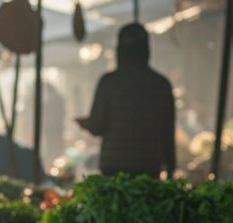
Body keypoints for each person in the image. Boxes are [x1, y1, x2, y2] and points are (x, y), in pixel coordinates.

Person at [75, 23, 175, 178]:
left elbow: (97, 126)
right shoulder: (161, 84)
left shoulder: (109, 82)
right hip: (149, 167)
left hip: (115, 168)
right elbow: (168, 131)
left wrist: (86, 123)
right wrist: (171, 168)